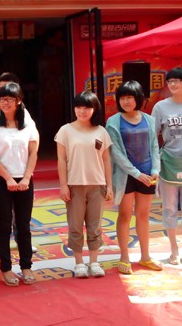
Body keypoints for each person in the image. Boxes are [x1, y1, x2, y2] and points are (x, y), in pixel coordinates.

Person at [0, 83, 39, 286]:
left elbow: (33, 153)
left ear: (19, 101)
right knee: (4, 225)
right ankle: (6, 269)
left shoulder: (29, 125)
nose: (5, 103)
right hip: (1, 180)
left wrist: (26, 178)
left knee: (23, 225)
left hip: (25, 179)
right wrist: (7, 178)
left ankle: (26, 266)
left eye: (9, 99)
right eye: (2, 99)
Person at [0, 73, 36, 257]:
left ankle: (21, 241)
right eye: (2, 93)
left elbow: (32, 148)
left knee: (21, 216)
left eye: (10, 94)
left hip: (22, 174)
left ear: (18, 97)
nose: (6, 99)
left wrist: (26, 176)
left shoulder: (25, 116)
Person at [106, 81, 162, 274]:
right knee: (124, 215)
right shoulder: (113, 122)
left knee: (144, 215)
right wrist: (137, 174)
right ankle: (124, 257)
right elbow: (116, 154)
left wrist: (155, 169)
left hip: (148, 174)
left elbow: (154, 146)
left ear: (138, 98)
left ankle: (145, 256)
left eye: (130, 97)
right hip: (126, 176)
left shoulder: (149, 119)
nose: (126, 101)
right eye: (122, 98)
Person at [55, 91, 113, 279]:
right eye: (78, 107)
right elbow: (61, 160)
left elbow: (106, 160)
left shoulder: (101, 131)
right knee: (75, 226)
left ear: (94, 109)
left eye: (87, 107)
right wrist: (63, 185)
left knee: (95, 226)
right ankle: (79, 263)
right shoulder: (65, 131)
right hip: (74, 184)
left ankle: (94, 262)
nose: (82, 111)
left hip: (97, 184)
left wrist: (109, 185)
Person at [151, 67, 182, 266]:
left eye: (177, 80)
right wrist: (155, 164)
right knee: (169, 209)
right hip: (167, 163)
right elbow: (152, 137)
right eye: (170, 81)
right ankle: (174, 250)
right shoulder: (160, 107)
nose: (173, 84)